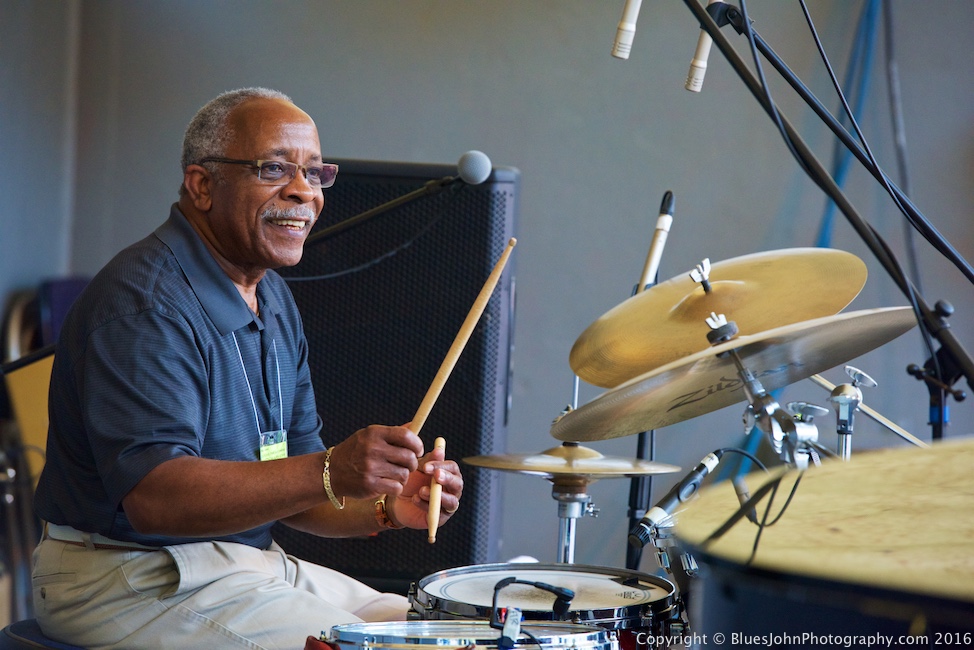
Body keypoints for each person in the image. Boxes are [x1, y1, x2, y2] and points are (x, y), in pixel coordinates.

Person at [31, 87, 464, 649]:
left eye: (314, 172)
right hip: (126, 579)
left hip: (243, 562)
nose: (304, 191)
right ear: (202, 185)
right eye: (274, 168)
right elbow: (156, 498)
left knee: (437, 635)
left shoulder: (272, 297)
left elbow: (299, 485)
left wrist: (386, 502)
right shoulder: (145, 304)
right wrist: (331, 467)